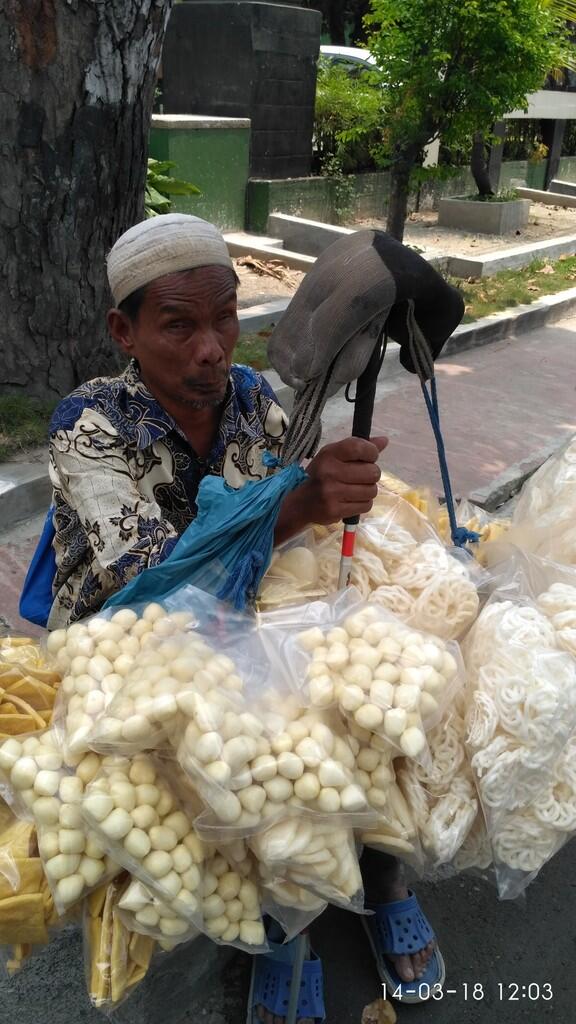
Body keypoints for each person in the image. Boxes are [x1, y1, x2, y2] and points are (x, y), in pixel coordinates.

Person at [38, 214, 443, 1020]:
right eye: (178, 325)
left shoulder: (258, 402)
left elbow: (290, 534)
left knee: (365, 706)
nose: (212, 347)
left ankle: (382, 873)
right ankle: (277, 931)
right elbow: (153, 590)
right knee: (240, 762)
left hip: (246, 619)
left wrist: (328, 496)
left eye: (224, 317)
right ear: (125, 330)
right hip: (123, 646)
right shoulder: (89, 426)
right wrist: (294, 506)